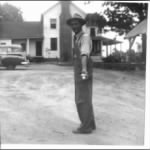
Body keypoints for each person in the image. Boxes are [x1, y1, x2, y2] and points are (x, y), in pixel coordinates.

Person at [66, 13, 96, 134]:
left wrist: (84, 70)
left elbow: (84, 54)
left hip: (83, 69)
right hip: (78, 69)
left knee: (81, 99)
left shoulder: (84, 37)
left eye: (76, 23)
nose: (74, 26)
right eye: (72, 24)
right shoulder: (76, 37)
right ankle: (90, 124)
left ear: (81, 24)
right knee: (85, 97)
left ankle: (85, 127)